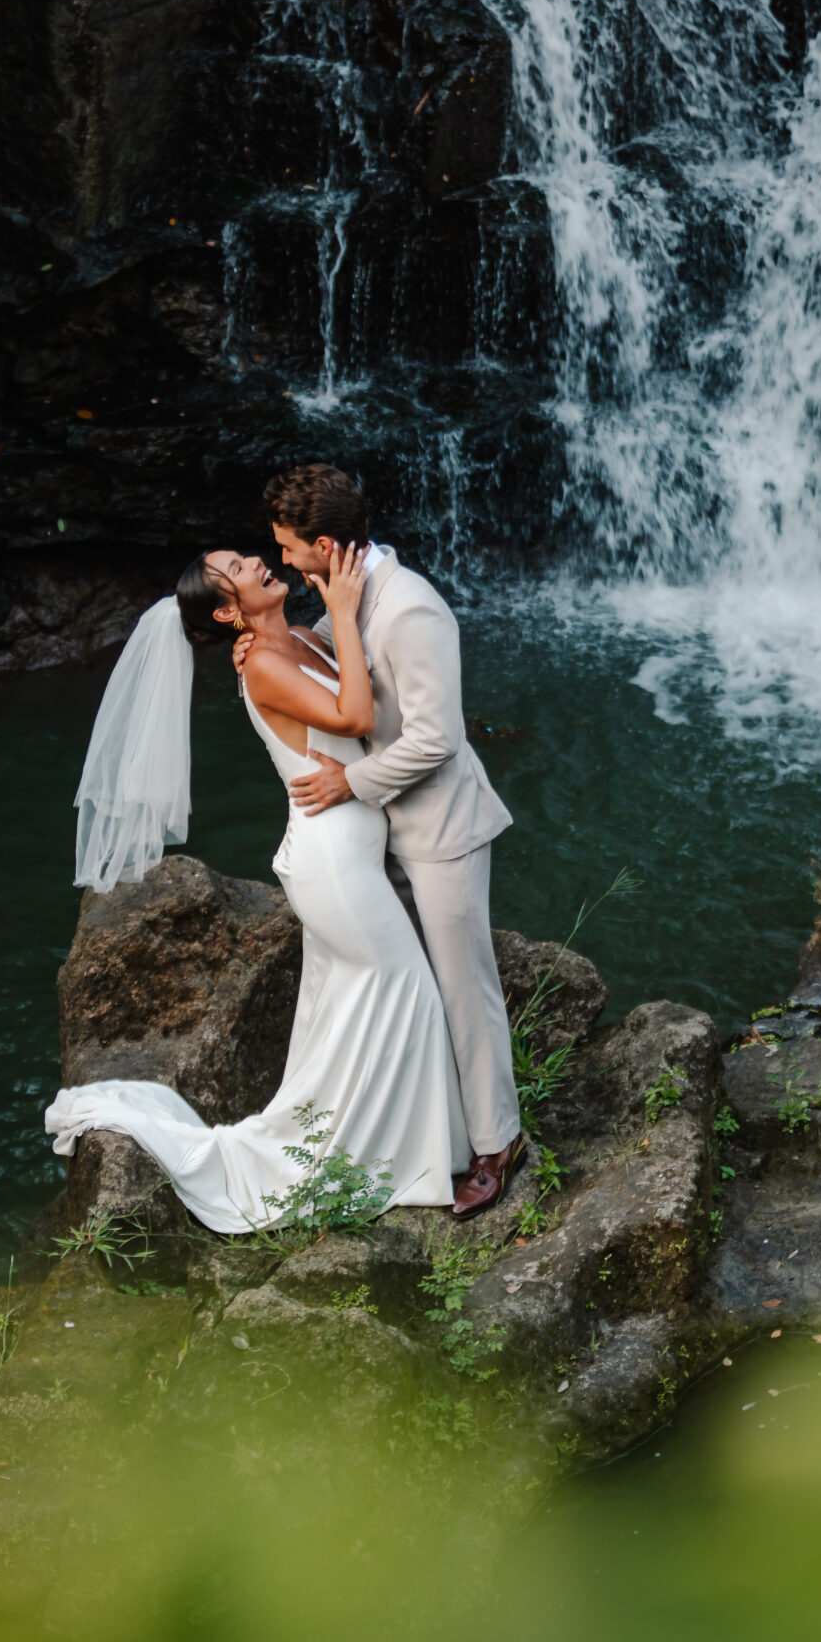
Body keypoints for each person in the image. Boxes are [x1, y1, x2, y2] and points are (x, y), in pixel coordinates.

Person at [44, 543, 469, 1228]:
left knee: (352, 1015)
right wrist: (340, 605)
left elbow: (355, 681)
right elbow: (356, 719)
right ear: (226, 610)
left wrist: (335, 617)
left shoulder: (293, 639)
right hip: (333, 862)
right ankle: (399, 1161)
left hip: (350, 852)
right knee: (406, 992)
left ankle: (379, 1152)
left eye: (245, 555)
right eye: (237, 569)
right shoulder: (266, 666)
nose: (253, 560)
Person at [248, 462, 524, 1220]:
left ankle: (497, 1146)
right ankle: (416, 1135)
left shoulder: (410, 611)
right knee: (414, 990)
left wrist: (349, 785)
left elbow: (437, 738)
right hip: (381, 837)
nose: (284, 563)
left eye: (290, 549)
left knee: (464, 989)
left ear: (327, 544)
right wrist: (266, 642)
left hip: (438, 830)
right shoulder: (347, 596)